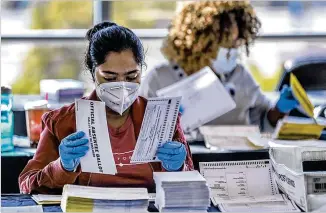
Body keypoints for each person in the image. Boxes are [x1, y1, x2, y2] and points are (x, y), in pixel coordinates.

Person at [19, 21, 194, 194]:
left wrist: (178, 169)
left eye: (132, 76)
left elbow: (192, 188)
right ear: (92, 73)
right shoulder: (62, 121)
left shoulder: (163, 118)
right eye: (110, 78)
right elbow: (27, 184)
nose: (122, 86)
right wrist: (62, 166)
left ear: (141, 71)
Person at [140, 1, 299, 133]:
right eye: (224, 44)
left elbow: (264, 122)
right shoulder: (160, 78)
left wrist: (279, 109)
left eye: (235, 44)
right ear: (198, 43)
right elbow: (139, 132)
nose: (230, 52)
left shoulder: (240, 75)